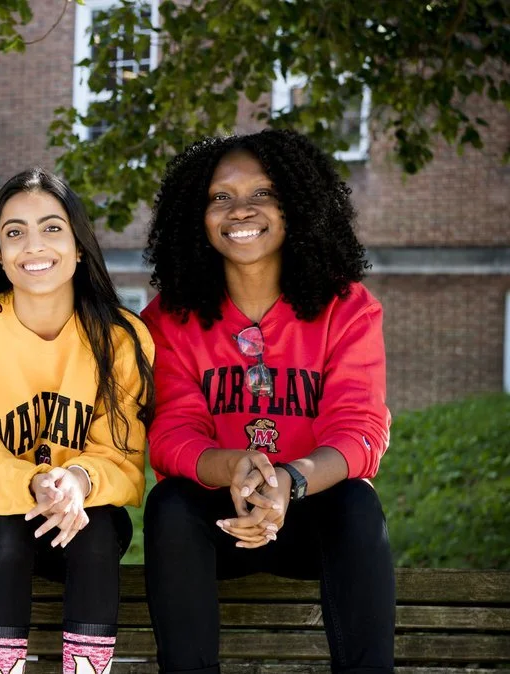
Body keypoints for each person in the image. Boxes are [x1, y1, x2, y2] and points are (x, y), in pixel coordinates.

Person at [141, 129, 395, 673]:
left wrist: (290, 481)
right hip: (218, 525)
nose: (240, 211)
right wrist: (235, 467)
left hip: (310, 516)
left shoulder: (346, 308)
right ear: (197, 214)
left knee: (357, 501)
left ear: (297, 205)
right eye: (220, 196)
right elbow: (171, 434)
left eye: (262, 193)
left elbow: (361, 430)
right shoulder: (168, 319)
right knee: (169, 505)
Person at [0, 168, 155, 674]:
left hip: (85, 519)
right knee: (9, 529)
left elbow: (122, 458)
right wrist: (35, 482)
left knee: (95, 525)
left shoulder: (121, 339)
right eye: (14, 232)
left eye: (52, 227)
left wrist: (77, 478)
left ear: (78, 247)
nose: (34, 245)